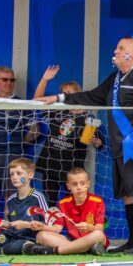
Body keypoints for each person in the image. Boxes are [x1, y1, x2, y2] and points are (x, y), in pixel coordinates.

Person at [36, 38, 133, 255]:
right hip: (120, 143)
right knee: (128, 192)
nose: (115, 51)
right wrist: (59, 97)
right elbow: (93, 96)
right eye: (116, 47)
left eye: (121, 48)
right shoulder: (115, 79)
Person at [0, 66, 39, 233]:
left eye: (12, 80)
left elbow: (34, 131)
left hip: (14, 156)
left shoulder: (22, 104)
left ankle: (9, 234)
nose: (9, 83)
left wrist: (17, 145)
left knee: (11, 197)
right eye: (5, 79)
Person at [32, 66, 103, 205]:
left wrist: (95, 141)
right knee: (48, 203)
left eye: (69, 93)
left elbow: (100, 143)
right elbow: (36, 101)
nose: (65, 96)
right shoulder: (57, 110)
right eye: (63, 93)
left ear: (78, 95)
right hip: (50, 164)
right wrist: (44, 79)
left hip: (73, 168)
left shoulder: (88, 117)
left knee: (73, 204)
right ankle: (49, 226)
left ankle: (74, 227)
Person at [0, 158, 48, 254]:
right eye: (12, 174)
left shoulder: (38, 197)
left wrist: (26, 225)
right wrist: (4, 223)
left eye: (19, 173)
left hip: (29, 238)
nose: (14, 177)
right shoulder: (11, 200)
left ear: (30, 175)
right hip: (10, 236)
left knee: (15, 247)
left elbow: (48, 225)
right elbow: (11, 225)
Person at [24, 168, 109, 256]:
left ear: (88, 184)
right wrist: (43, 227)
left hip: (91, 238)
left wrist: (89, 227)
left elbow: (100, 228)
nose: (79, 187)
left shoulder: (97, 201)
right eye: (74, 184)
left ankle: (54, 251)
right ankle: (84, 249)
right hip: (72, 240)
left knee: (98, 235)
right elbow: (57, 228)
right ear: (68, 186)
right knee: (41, 235)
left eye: (82, 183)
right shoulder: (63, 203)